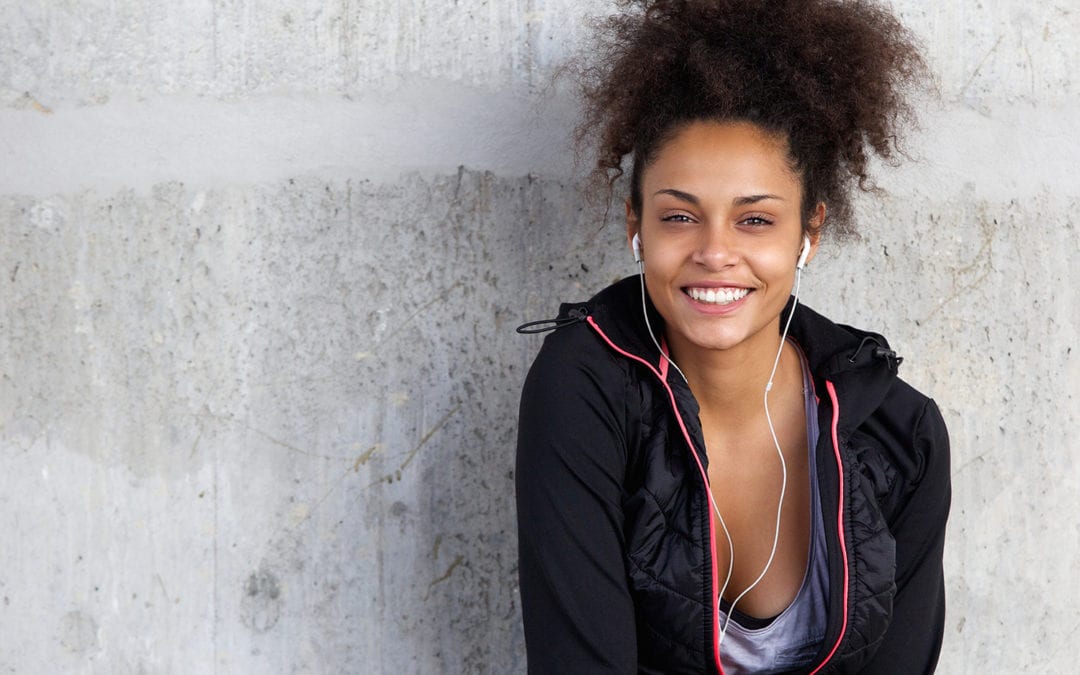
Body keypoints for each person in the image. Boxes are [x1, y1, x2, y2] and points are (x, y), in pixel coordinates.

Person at [514, 0, 952, 673]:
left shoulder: (899, 433)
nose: (715, 252)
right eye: (680, 216)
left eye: (754, 221)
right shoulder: (587, 389)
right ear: (637, 224)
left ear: (810, 231)